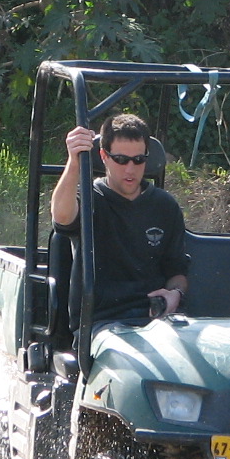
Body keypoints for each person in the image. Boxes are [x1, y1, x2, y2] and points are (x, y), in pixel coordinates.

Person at [52, 113, 189, 325]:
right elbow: (62, 216)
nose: (130, 169)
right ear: (104, 156)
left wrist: (175, 294)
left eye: (139, 160)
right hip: (102, 322)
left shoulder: (165, 206)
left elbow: (176, 271)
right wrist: (74, 162)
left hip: (155, 322)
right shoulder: (90, 199)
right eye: (121, 160)